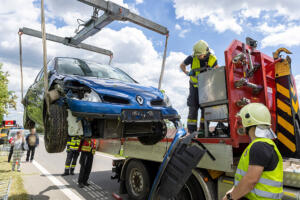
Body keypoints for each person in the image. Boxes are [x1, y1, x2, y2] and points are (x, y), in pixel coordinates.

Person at [223, 103, 283, 200]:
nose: (240, 125)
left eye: (242, 121)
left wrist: (230, 197)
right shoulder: (262, 144)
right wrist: (234, 190)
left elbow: (250, 180)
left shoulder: (259, 146)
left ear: (249, 122)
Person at [180, 40, 218, 133]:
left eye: (199, 55)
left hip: (206, 87)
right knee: (193, 107)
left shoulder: (213, 58)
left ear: (206, 52)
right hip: (194, 86)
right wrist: (187, 72)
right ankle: (191, 132)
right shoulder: (192, 57)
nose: (198, 56)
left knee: (206, 108)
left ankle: (203, 130)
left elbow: (217, 70)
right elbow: (182, 65)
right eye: (196, 54)